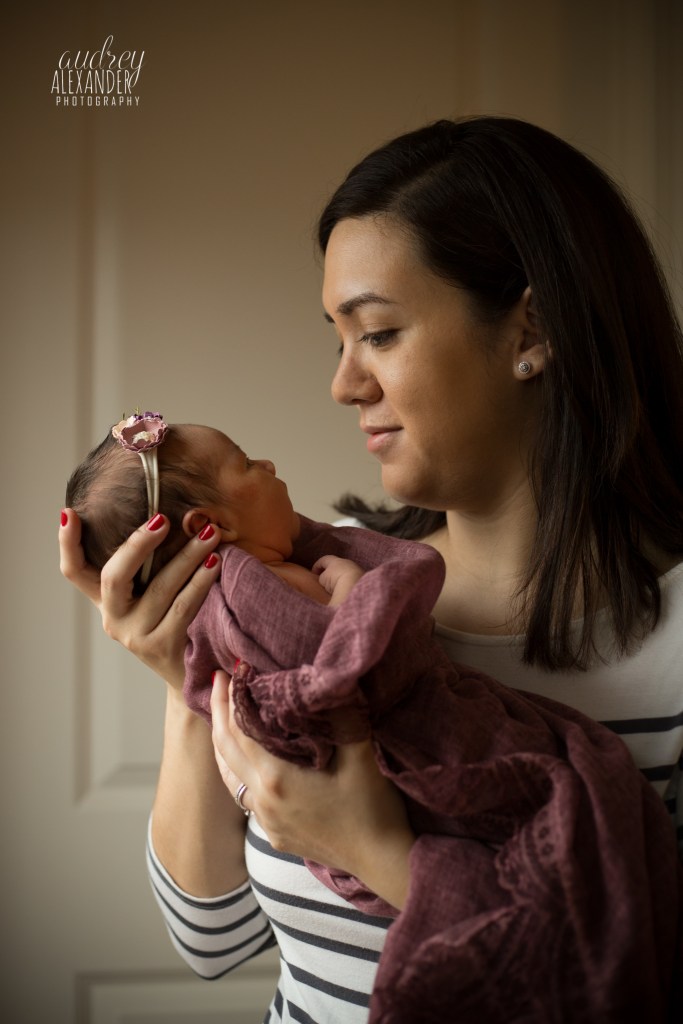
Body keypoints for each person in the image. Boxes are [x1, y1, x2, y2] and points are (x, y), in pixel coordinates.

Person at [59, 116, 683, 1023]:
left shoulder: (670, 635)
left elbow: (640, 980)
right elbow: (212, 939)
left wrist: (373, 850)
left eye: (378, 334)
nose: (343, 384)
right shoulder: (308, 592)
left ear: (532, 328)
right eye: (337, 341)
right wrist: (189, 672)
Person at [65, 411, 363, 607]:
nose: (268, 466)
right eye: (246, 464)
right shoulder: (258, 590)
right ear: (206, 526)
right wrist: (352, 585)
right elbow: (341, 648)